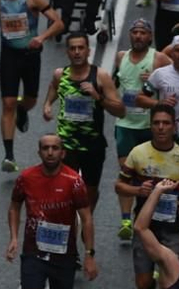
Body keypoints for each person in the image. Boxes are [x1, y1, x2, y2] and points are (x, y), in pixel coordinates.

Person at [5, 137, 99, 289]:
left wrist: (90, 254)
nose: (50, 152)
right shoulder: (26, 178)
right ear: (39, 152)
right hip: (33, 252)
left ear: (62, 153)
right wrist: (13, 238)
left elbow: (87, 218)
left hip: (64, 255)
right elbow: (14, 206)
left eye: (55, 148)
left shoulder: (74, 181)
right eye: (45, 148)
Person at [116, 103, 179, 289]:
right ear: (151, 126)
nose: (161, 127)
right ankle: (148, 288)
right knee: (143, 281)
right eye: (157, 123)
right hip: (146, 226)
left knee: (171, 281)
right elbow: (119, 186)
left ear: (174, 126)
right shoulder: (138, 153)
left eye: (166, 123)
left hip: (173, 226)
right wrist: (137, 190)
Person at [43, 29, 125, 215]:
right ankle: (68, 221)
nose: (77, 52)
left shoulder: (100, 76)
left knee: (90, 192)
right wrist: (47, 104)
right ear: (67, 52)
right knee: (64, 188)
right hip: (66, 144)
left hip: (92, 145)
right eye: (73, 48)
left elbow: (121, 110)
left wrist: (98, 97)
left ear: (88, 51)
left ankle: (86, 221)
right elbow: (54, 87)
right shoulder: (60, 74)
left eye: (81, 48)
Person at [0, 0, 60, 171]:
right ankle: (9, 155)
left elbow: (58, 22)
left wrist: (42, 37)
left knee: (29, 101)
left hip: (30, 56)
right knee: (7, 103)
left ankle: (23, 110)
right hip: (9, 54)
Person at [111, 19, 169, 239]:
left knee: (151, 174)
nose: (138, 36)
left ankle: (150, 217)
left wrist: (155, 80)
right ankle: (126, 219)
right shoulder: (120, 57)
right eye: (134, 32)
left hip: (150, 125)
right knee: (126, 173)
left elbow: (173, 81)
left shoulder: (159, 59)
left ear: (150, 37)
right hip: (126, 124)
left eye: (142, 32)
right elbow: (115, 83)